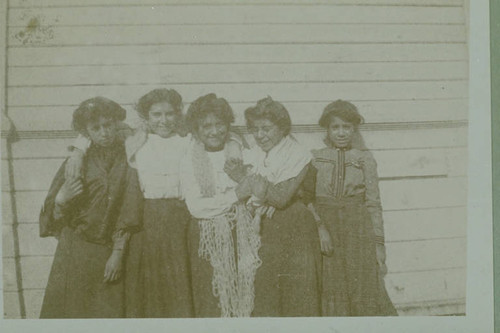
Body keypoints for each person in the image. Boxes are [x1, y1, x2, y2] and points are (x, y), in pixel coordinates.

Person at [39, 97, 142, 318]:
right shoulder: (77, 161)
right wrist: (61, 199)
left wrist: (117, 253)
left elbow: (129, 209)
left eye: (108, 125)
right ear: (86, 132)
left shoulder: (130, 157)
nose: (104, 133)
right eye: (96, 128)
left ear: (116, 124)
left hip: (110, 249)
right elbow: (52, 215)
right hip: (76, 249)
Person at [225, 96, 322, 317]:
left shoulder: (297, 154)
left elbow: (280, 198)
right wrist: (251, 183)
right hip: (266, 226)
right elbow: (254, 190)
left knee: (296, 289)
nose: (260, 135)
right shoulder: (257, 153)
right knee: (266, 287)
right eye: (255, 129)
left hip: (293, 226)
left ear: (282, 128)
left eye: (266, 129)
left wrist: (244, 178)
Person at [311, 99, 397, 316]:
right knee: (331, 285)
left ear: (354, 129)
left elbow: (373, 203)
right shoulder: (315, 158)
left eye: (346, 127)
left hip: (357, 230)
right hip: (327, 229)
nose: (341, 133)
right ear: (327, 129)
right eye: (335, 127)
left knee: (362, 286)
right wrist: (319, 226)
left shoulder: (365, 158)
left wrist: (379, 245)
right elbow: (307, 198)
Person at [179, 93, 262, 318]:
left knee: (247, 292)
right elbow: (197, 208)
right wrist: (236, 194)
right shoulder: (189, 159)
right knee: (213, 299)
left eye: (219, 124)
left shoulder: (243, 151)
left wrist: (240, 196)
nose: (214, 131)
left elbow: (256, 187)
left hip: (243, 233)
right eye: (206, 126)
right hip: (208, 239)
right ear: (196, 130)